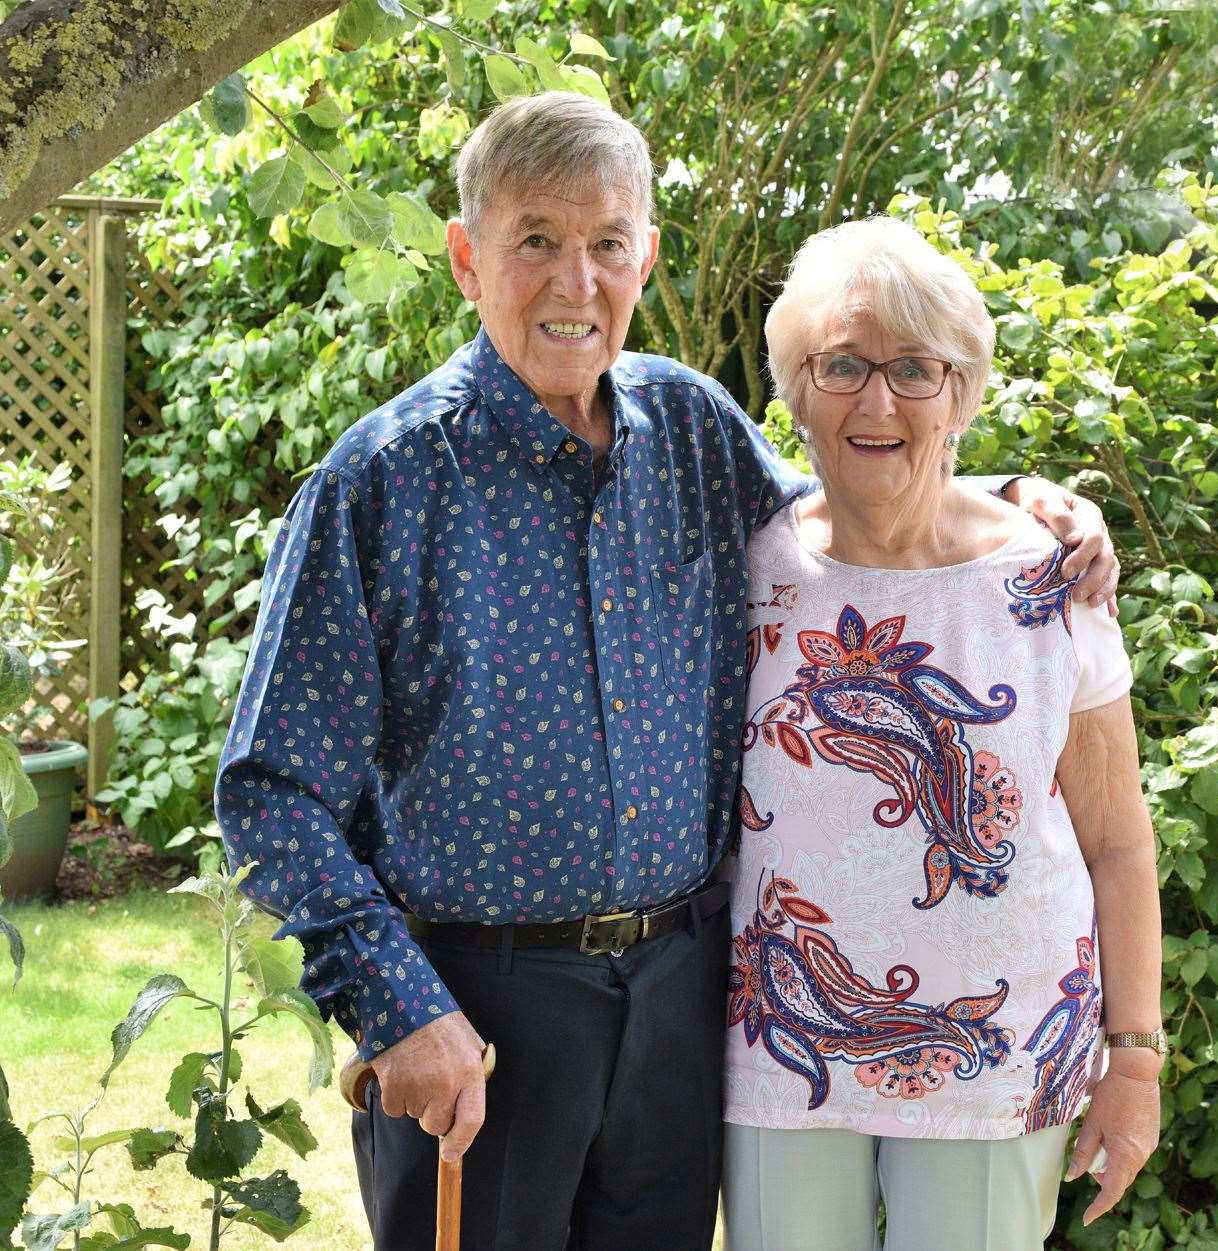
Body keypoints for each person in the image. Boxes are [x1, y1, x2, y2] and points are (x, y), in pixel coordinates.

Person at [213, 93, 1119, 1251]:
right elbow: (270, 792)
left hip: (685, 1004)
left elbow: (853, 532)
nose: (573, 282)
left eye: (605, 244)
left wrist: (1013, 503)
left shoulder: (692, 430)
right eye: (535, 239)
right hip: (478, 1011)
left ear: (645, 256)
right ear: (466, 259)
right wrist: (398, 1010)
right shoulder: (382, 484)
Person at [721, 216, 1163, 1251]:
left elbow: (1119, 840)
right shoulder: (745, 567)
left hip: (1000, 1045)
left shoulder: (1054, 579)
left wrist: (1134, 1058)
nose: (878, 401)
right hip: (781, 1036)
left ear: (962, 394)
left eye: (917, 369)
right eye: (842, 365)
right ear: (795, 389)